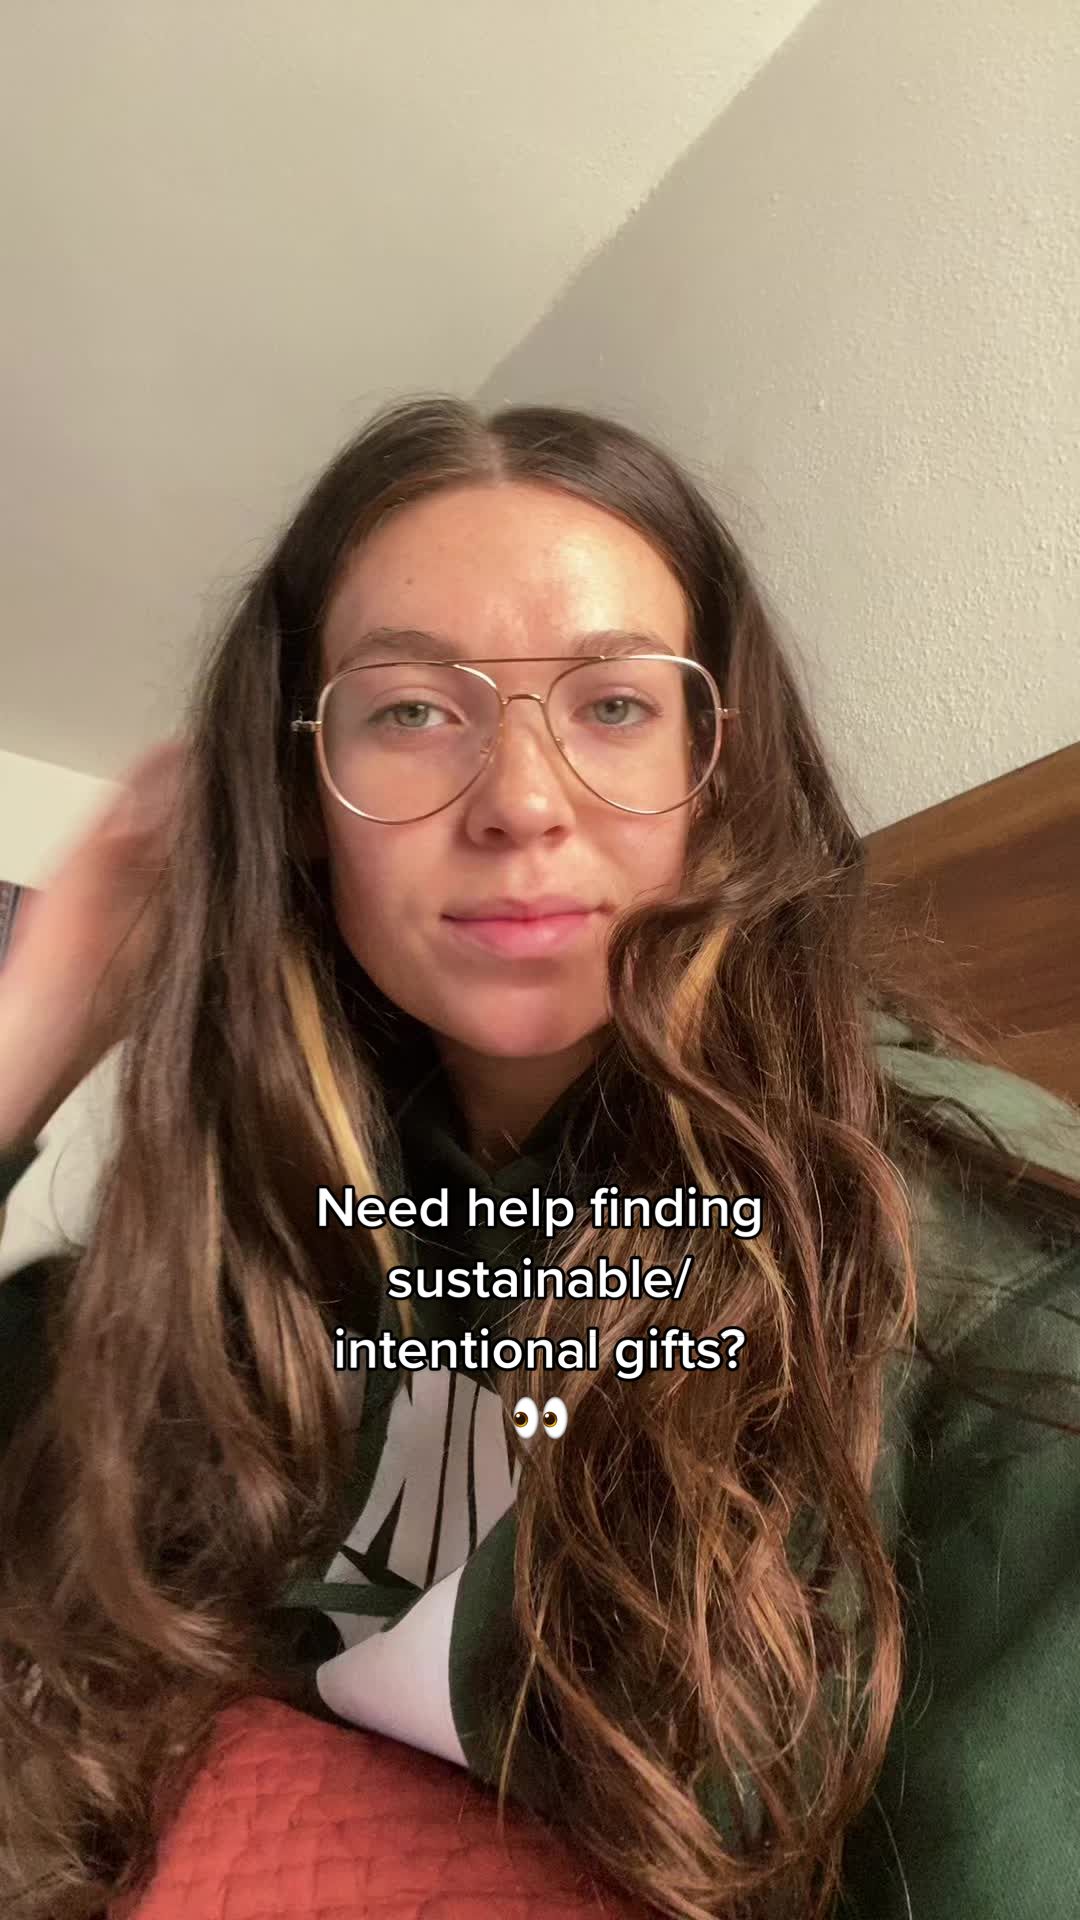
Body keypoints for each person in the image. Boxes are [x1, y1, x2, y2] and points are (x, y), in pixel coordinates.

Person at [1, 395, 1078, 1920]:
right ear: (302, 796)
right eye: (410, 713)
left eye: (616, 706)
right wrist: (35, 1028)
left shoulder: (992, 1298)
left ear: (716, 775)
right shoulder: (290, 1216)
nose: (519, 803)